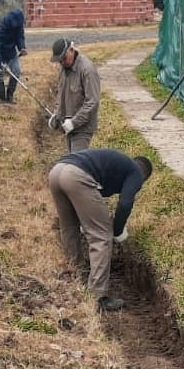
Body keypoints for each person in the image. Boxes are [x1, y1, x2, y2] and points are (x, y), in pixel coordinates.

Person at [48, 148, 153, 312]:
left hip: (57, 171)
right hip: (75, 176)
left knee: (69, 227)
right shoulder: (136, 173)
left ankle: (75, 273)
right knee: (102, 236)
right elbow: (125, 203)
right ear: (144, 176)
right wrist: (117, 230)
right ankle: (98, 295)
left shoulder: (118, 165)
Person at [48, 38, 101, 152]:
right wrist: (56, 115)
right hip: (68, 126)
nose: (62, 62)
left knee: (76, 165)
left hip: (82, 128)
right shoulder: (64, 68)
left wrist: (74, 122)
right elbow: (61, 94)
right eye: (59, 60)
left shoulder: (87, 70)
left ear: (71, 50)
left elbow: (92, 102)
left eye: (64, 59)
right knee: (72, 159)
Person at [0, 9, 27, 104]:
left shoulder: (18, 25)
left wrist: (22, 47)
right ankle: (2, 99)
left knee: (16, 71)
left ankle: (10, 95)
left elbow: (20, 36)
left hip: (10, 51)